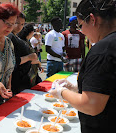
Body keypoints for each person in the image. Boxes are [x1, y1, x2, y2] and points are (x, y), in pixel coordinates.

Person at [50, 0, 116, 132]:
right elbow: (106, 88)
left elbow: (91, 106)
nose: (82, 31)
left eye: (80, 25)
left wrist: (61, 92)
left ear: (92, 19)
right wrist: (75, 88)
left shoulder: (102, 51)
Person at [8, 13, 39, 95]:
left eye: (22, 24)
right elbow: (12, 61)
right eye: (17, 23)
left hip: (22, 80)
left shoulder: (16, 36)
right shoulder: (10, 37)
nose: (19, 26)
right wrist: (29, 57)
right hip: (16, 81)